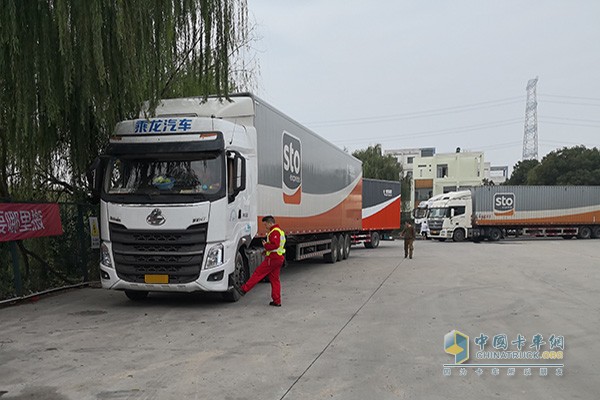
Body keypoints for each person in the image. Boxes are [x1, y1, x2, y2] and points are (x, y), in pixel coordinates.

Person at [240, 216, 286, 306]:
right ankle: (277, 301)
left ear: (270, 223)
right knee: (275, 280)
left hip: (272, 259)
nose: (266, 227)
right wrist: (266, 251)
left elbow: (275, 245)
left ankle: (244, 289)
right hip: (278, 258)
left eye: (265, 225)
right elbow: (277, 246)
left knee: (258, 273)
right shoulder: (279, 231)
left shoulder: (275, 232)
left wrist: (266, 246)